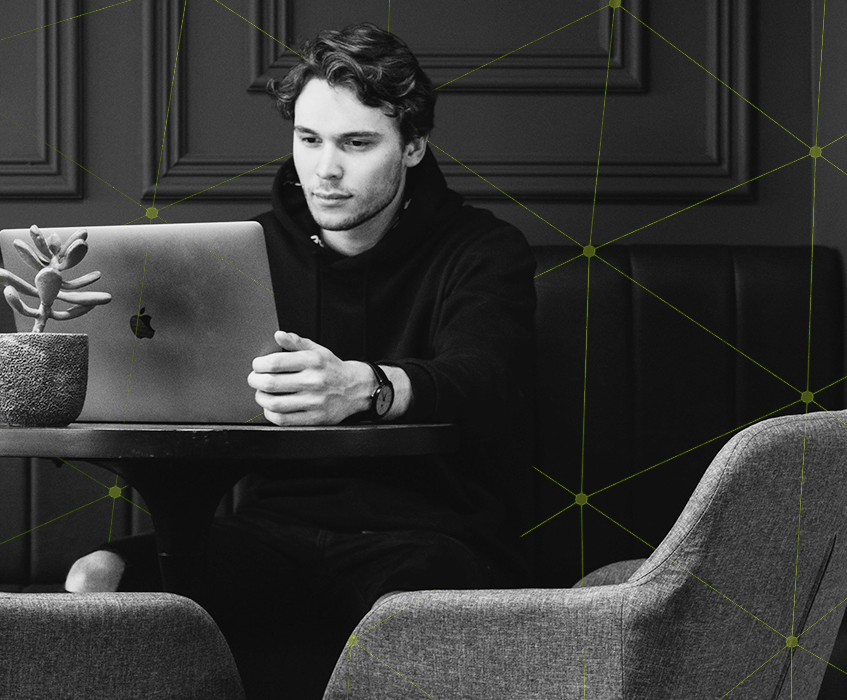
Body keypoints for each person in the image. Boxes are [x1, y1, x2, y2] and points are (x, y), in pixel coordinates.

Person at [65, 22, 536, 699]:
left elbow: (486, 378)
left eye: (356, 144)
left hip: (429, 536)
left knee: (408, 617)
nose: (326, 170)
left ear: (413, 147)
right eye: (309, 140)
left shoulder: (483, 250)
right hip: (273, 532)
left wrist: (362, 386)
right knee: (96, 578)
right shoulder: (247, 251)